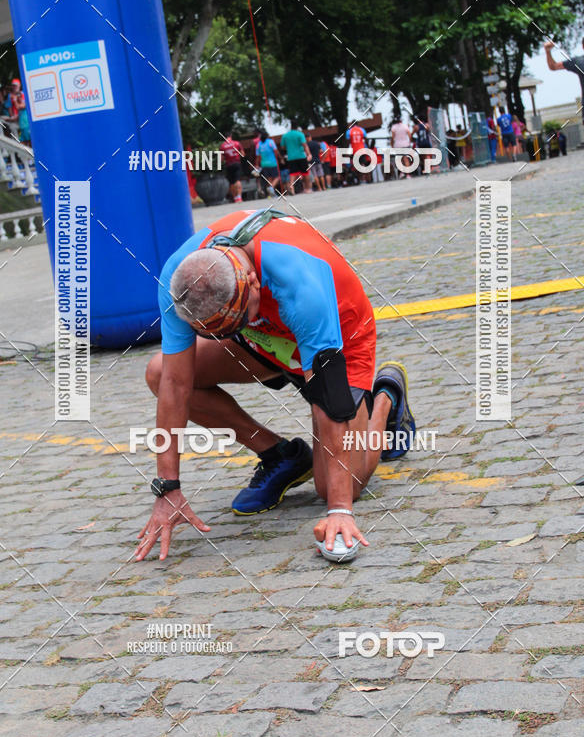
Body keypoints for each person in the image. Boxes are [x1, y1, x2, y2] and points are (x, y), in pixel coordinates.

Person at [137, 209, 415, 562]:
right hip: (264, 340)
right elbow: (175, 384)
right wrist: (168, 488)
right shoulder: (182, 284)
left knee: (333, 486)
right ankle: (281, 455)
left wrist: (339, 511)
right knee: (159, 373)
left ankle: (386, 398)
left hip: (341, 339)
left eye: (239, 318)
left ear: (253, 282)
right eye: (217, 332)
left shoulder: (298, 284)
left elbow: (327, 400)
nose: (226, 334)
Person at [544, 39, 584, 125]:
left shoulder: (578, 62)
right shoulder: (578, 62)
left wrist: (548, 51)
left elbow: (553, 66)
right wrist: (547, 51)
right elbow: (553, 66)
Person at [280, 124, 311, 193]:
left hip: (291, 157)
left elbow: (282, 147)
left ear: (290, 127)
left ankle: (292, 189)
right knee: (305, 173)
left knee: (292, 173)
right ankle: (308, 189)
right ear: (297, 127)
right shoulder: (300, 134)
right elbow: (305, 145)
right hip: (301, 156)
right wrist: (309, 154)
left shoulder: (285, 136)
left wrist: (289, 148)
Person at [219, 133, 245, 203]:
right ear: (230, 136)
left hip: (229, 165)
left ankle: (235, 198)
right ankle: (239, 197)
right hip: (236, 163)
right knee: (238, 180)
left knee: (231, 182)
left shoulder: (222, 146)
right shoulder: (236, 143)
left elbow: (221, 159)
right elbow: (242, 154)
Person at [255, 131, 280, 196]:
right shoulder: (270, 142)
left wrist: (257, 164)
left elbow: (258, 156)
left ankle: (271, 194)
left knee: (269, 179)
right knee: (277, 177)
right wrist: (280, 158)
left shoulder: (258, 144)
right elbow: (276, 151)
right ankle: (271, 188)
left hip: (264, 164)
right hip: (272, 163)